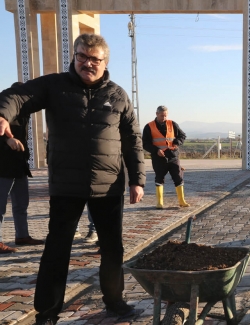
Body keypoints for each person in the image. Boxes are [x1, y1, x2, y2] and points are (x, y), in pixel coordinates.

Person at [0, 34, 146, 325]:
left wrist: (137, 180)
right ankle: (48, 311)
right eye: (82, 56)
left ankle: (115, 301)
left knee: (112, 248)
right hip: (66, 185)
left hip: (109, 186)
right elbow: (17, 95)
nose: (87, 63)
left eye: (94, 59)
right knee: (57, 249)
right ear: (75, 57)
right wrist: (2, 114)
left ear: (104, 62)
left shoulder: (117, 95)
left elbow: (132, 139)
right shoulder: (54, 86)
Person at [0, 82, 45, 254]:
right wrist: (7, 140)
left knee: (21, 204)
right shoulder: (3, 108)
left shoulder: (24, 113)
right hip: (3, 166)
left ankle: (22, 235)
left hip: (19, 165)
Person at [142, 105, 189, 209]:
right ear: (157, 114)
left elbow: (182, 135)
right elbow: (145, 143)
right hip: (158, 158)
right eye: (162, 115)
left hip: (173, 156)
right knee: (159, 178)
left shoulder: (172, 124)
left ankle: (182, 201)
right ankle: (159, 203)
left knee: (178, 177)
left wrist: (177, 141)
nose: (164, 118)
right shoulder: (149, 126)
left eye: (165, 115)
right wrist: (156, 150)